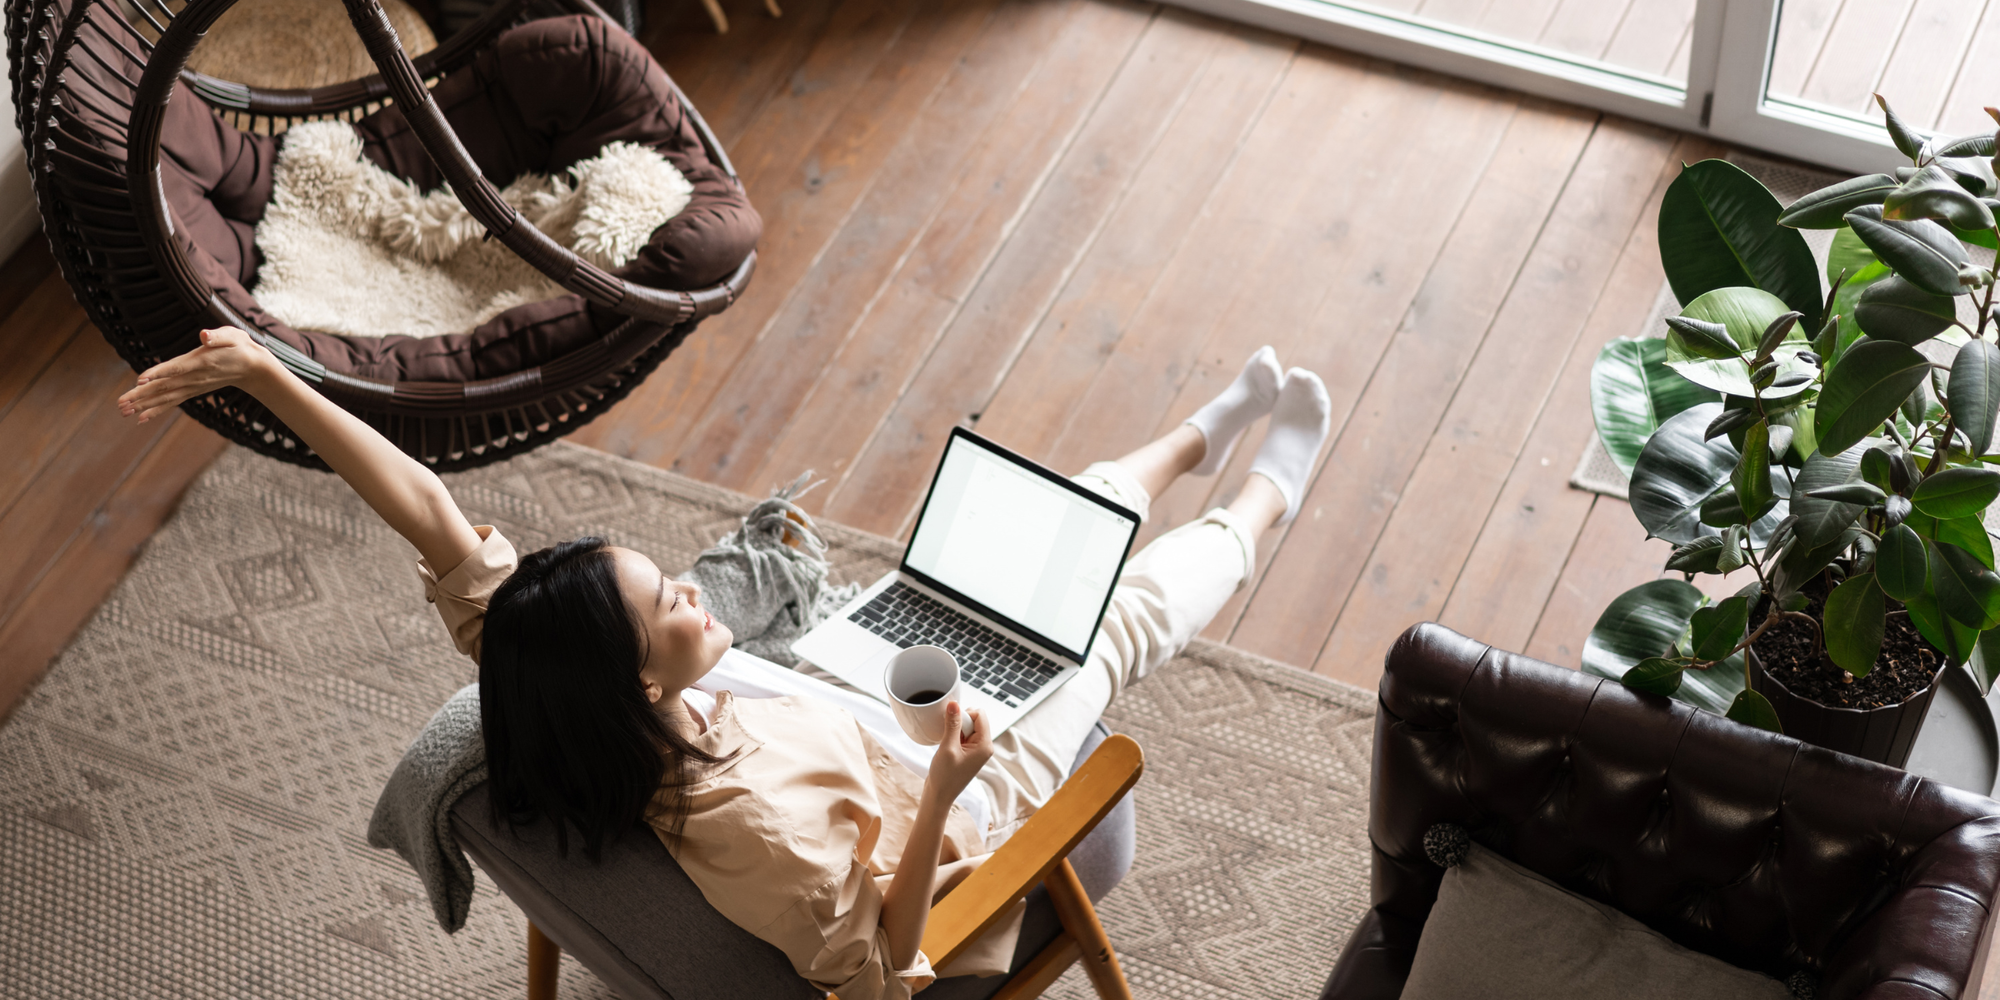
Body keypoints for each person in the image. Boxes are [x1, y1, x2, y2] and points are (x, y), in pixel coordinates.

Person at [117, 331, 1332, 999]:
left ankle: (1190, 440)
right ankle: (1268, 498)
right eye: (671, 603)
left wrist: (272, 376)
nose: (691, 585)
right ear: (645, 677)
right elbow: (873, 970)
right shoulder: (753, 829)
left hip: (839, 707)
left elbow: (429, 511)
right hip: (958, 816)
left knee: (995, 566)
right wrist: (952, 794)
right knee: (1102, 627)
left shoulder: (558, 667)